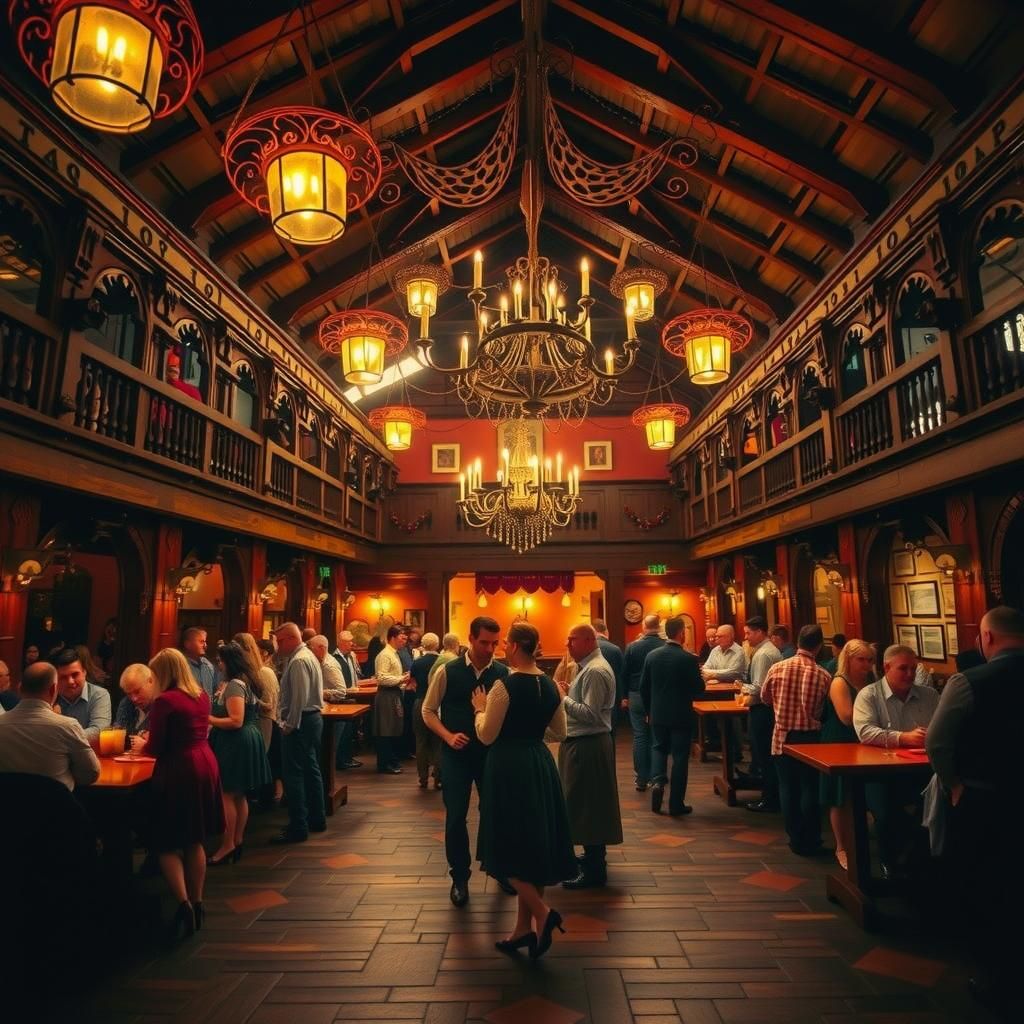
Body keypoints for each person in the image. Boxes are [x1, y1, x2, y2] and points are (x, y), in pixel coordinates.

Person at [926, 606, 1024, 1013]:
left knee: (990, 886)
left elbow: (937, 741)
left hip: (987, 798)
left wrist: (953, 784)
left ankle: (997, 981)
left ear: (986, 638)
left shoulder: (970, 681)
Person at [471, 622, 576, 959]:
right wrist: (531, 734)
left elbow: (487, 735)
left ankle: (543, 915)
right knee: (534, 843)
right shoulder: (549, 685)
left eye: (505, 644)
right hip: (539, 763)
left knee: (504, 843)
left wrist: (479, 711)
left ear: (515, 646)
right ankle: (522, 930)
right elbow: (559, 732)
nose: (502, 648)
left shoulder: (504, 686)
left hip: (507, 765)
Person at [422, 615, 510, 907]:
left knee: (495, 811)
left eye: (495, 643)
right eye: (484, 642)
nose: (490, 649)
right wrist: (447, 736)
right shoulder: (448, 671)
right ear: (470, 639)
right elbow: (428, 710)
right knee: (456, 815)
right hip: (456, 755)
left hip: (492, 754)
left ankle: (499, 868)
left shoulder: (503, 673)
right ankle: (459, 877)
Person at [145, 648, 224, 939]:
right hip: (205, 761)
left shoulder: (165, 701)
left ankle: (183, 903)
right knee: (195, 837)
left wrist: (142, 746)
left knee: (166, 841)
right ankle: (199, 899)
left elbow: (156, 746)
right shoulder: (201, 694)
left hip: (179, 767)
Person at [853, 643, 938, 876]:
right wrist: (904, 738)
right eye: (903, 669)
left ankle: (922, 860)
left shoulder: (929, 696)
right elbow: (866, 732)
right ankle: (889, 863)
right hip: (882, 771)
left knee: (934, 806)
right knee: (887, 812)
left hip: (922, 769)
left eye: (913, 669)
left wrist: (932, 735)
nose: (910, 675)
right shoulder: (869, 695)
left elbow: (943, 728)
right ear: (886, 667)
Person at [557, 624, 623, 889]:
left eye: (571, 640)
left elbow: (591, 714)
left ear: (587, 640)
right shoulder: (589, 667)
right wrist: (572, 689)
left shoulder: (595, 670)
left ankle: (595, 869)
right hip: (585, 743)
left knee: (589, 806)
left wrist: (563, 697)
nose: (567, 644)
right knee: (585, 803)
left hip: (588, 744)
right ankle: (592, 855)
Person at [760, 625, 831, 856]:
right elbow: (824, 709)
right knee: (810, 787)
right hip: (811, 736)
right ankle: (811, 836)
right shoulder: (823, 674)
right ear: (819, 646)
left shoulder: (778, 667)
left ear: (798, 642)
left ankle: (795, 837)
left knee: (787, 787)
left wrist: (781, 707)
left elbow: (765, 697)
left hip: (783, 734)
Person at [206, 641, 271, 865]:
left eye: (221, 661)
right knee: (239, 794)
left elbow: (235, 720)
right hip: (247, 738)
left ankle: (227, 845)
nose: (219, 664)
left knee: (226, 794)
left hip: (236, 741)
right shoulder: (245, 680)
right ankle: (237, 839)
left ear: (229, 662)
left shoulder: (234, 684)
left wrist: (208, 719)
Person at [819, 640, 875, 869]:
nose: (866, 665)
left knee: (861, 792)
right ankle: (842, 846)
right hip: (840, 740)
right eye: (861, 659)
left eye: (870, 660)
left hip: (864, 740)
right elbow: (846, 716)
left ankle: (861, 840)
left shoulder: (871, 680)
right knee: (840, 796)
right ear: (848, 659)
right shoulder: (839, 683)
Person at [0, 661, 100, 790]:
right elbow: (91, 773)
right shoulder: (68, 726)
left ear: (20, 689)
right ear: (54, 689)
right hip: (57, 807)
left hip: (9, 808)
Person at [640, 616, 703, 816]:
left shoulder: (652, 656)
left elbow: (643, 687)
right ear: (681, 633)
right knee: (680, 757)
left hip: (658, 713)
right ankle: (676, 804)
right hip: (681, 714)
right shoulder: (688, 658)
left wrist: (649, 711)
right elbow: (698, 690)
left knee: (658, 748)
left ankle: (658, 781)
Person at [272, 622, 326, 844]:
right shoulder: (307, 655)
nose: (277, 646)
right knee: (311, 769)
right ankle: (316, 819)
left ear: (289, 638)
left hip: (302, 722)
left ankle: (298, 827)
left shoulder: (299, 660)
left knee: (293, 775)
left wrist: (289, 726)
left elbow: (299, 699)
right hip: (311, 719)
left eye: (279, 641)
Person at [740, 616, 784, 813]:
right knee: (765, 755)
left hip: (763, 710)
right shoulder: (768, 651)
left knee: (764, 755)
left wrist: (741, 686)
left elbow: (758, 688)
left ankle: (769, 798)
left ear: (760, 632)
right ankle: (770, 795)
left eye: (748, 633)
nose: (746, 637)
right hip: (768, 709)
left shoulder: (763, 654)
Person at [622, 614, 664, 792]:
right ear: (659, 627)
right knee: (657, 736)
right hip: (658, 695)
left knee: (640, 736)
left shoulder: (632, 647)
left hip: (636, 694)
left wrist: (624, 696)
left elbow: (624, 673)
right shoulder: (665, 646)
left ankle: (641, 779)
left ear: (643, 627)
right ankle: (657, 778)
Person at [54, 646, 111, 743]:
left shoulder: (99, 694)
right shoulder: (51, 696)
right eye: (63, 677)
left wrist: (61, 738)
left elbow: (99, 731)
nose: (70, 681)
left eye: (75, 675)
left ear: (84, 672)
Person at [374, 625, 409, 774]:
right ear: (392, 637)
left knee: (394, 728)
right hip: (386, 694)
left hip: (394, 693)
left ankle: (392, 760)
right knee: (386, 729)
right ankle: (384, 763)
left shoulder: (394, 653)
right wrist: (402, 678)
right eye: (402, 638)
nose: (404, 641)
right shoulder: (385, 655)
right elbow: (381, 678)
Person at [410, 632, 441, 789]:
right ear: (437, 644)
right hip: (436, 704)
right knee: (437, 741)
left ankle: (422, 778)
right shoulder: (441, 662)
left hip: (420, 701)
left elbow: (412, 681)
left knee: (421, 741)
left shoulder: (417, 662)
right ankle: (438, 777)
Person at [331, 629, 365, 770]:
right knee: (343, 731)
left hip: (352, 695)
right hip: (341, 698)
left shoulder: (351, 656)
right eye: (349, 641)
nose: (352, 643)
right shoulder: (334, 658)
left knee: (350, 730)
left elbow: (354, 674)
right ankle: (341, 760)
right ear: (342, 643)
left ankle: (347, 757)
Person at [114, 662, 159, 737]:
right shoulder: (126, 703)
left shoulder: (162, 706)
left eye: (137, 692)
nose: (134, 699)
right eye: (129, 694)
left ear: (150, 681)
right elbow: (118, 734)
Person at [181, 627, 217, 699]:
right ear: (187, 644)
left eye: (205, 642)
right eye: (201, 642)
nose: (205, 645)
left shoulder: (209, 665)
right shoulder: (180, 666)